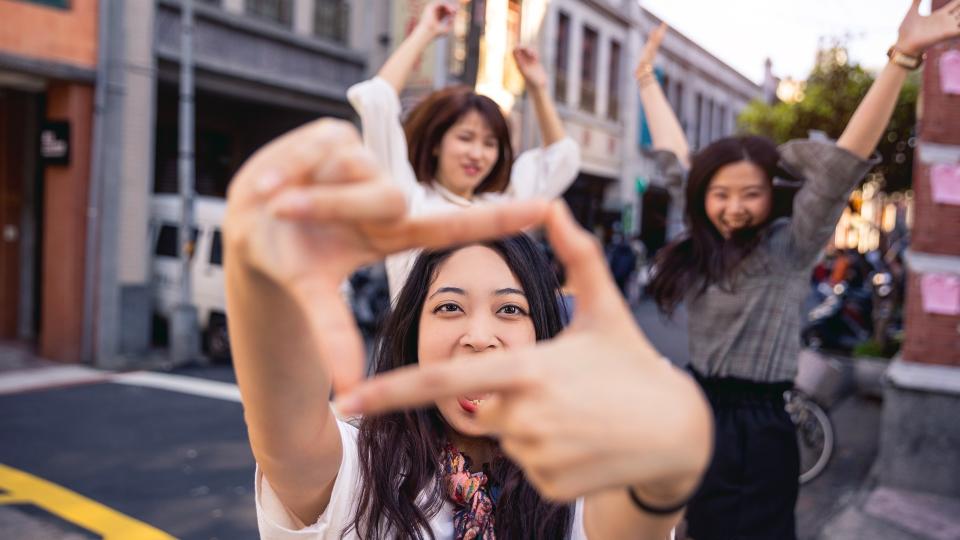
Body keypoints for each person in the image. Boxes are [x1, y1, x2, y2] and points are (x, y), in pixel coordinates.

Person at [223, 117, 712, 539]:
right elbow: (286, 429)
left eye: (510, 310)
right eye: (450, 308)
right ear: (412, 331)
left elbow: (628, 521)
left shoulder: (582, 477)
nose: (479, 336)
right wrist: (263, 280)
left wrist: (666, 454)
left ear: (544, 335)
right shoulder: (357, 469)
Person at [636, 3, 960, 538]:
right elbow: (674, 158)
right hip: (692, 411)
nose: (733, 207)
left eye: (750, 195)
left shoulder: (792, 243)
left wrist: (902, 57)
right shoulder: (700, 239)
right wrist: (646, 77)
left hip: (759, 427)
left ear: (772, 197)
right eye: (721, 194)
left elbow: (840, 168)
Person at [347, 0, 580, 298]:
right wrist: (426, 31)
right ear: (435, 144)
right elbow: (376, 102)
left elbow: (562, 159)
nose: (477, 153)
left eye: (489, 143)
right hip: (419, 345)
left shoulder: (502, 207)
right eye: (465, 137)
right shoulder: (408, 200)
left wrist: (537, 88)